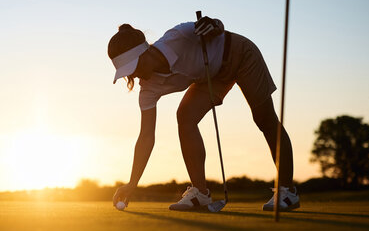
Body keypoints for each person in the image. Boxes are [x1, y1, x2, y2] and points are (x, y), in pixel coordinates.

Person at [108, 16, 300, 211]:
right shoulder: (148, 89)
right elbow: (146, 136)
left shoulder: (178, 35)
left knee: (264, 118)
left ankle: (288, 191)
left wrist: (213, 24)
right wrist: (132, 183)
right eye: (128, 73)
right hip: (212, 76)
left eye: (135, 67)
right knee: (185, 116)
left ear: (145, 51)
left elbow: (218, 26)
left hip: (240, 54)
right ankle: (200, 194)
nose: (134, 75)